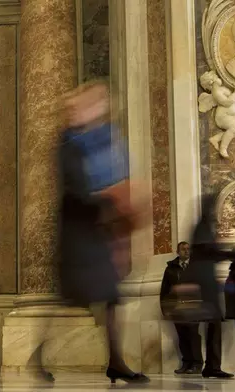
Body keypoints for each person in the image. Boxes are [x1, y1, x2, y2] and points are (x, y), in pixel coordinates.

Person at [55, 81, 148, 384]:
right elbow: (78, 192)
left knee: (110, 297)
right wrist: (112, 198)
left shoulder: (103, 140)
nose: (98, 107)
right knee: (73, 301)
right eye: (91, 103)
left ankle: (116, 362)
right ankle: (39, 355)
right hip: (78, 234)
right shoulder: (68, 145)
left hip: (94, 231)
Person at [177, 194, 234, 379]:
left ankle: (212, 366)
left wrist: (229, 255)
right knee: (203, 326)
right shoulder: (202, 226)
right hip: (202, 284)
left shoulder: (205, 227)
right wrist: (230, 254)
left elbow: (210, 252)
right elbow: (207, 251)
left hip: (206, 282)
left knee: (213, 325)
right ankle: (205, 365)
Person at [160, 242, 203, 375]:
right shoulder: (171, 268)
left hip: (193, 307)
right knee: (182, 336)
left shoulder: (195, 267)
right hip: (177, 308)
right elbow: (165, 290)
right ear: (178, 251)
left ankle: (197, 363)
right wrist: (165, 309)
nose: (186, 251)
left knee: (193, 336)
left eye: (188, 249)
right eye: (183, 249)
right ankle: (186, 363)